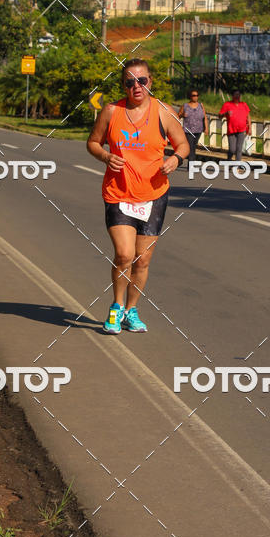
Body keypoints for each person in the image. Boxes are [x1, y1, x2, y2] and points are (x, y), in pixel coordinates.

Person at [87, 58, 189, 335]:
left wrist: (176, 160)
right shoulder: (111, 112)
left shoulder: (163, 112)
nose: (137, 86)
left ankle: (132, 310)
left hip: (154, 195)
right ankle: (116, 307)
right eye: (130, 82)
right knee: (124, 254)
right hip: (118, 193)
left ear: (150, 82)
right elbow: (93, 143)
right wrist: (106, 156)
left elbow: (183, 144)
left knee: (142, 260)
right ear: (124, 86)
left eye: (142, 81)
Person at [219, 90, 251, 160]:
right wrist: (226, 114)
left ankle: (237, 166)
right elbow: (219, 116)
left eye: (239, 95)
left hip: (241, 130)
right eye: (235, 95)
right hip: (231, 130)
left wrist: (250, 128)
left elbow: (248, 116)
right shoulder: (227, 104)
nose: (237, 96)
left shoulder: (244, 104)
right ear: (232, 96)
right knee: (232, 149)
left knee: (239, 149)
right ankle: (229, 160)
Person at [178, 89, 207, 165]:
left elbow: (204, 117)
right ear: (190, 96)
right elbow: (177, 116)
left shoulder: (201, 105)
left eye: (197, 95)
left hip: (198, 130)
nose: (195, 97)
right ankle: (191, 165)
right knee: (191, 147)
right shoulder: (185, 106)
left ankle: (189, 162)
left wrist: (206, 128)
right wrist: (182, 115)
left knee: (193, 147)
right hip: (188, 130)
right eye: (194, 95)